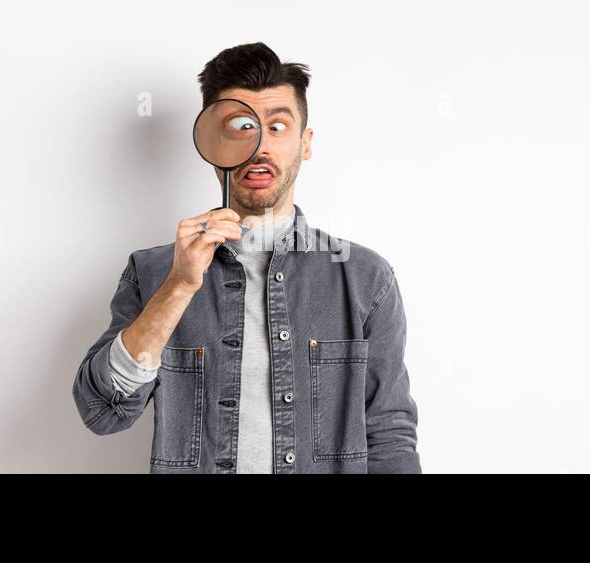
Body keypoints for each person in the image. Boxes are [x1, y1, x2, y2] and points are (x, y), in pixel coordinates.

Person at [72, 42, 421, 474]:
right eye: (240, 126)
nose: (259, 148)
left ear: (305, 143)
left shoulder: (367, 279)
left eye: (277, 126)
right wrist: (179, 287)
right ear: (211, 143)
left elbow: (389, 433)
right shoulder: (153, 274)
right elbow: (102, 411)